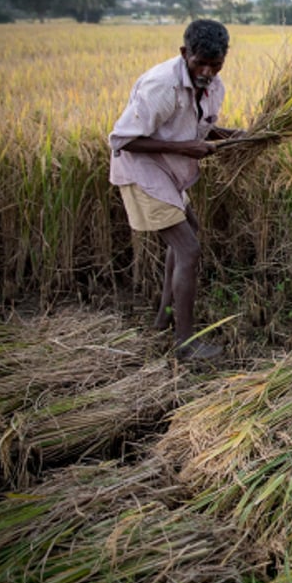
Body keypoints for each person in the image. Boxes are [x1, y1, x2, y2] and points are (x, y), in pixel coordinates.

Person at [109, 19, 241, 361]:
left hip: (168, 171)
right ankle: (185, 343)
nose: (208, 71)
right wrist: (187, 148)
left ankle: (164, 318)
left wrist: (230, 135)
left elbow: (199, 127)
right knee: (189, 249)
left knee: (189, 234)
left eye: (216, 64)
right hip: (142, 171)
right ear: (185, 54)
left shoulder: (213, 86)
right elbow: (122, 139)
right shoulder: (161, 87)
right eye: (201, 63)